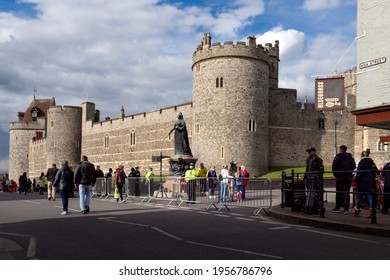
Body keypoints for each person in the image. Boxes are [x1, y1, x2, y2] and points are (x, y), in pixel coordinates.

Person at [332, 145, 356, 215]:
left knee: (339, 192)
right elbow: (353, 167)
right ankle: (346, 209)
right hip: (348, 177)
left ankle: (337, 208)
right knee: (346, 192)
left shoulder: (337, 157)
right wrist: (350, 175)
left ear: (340, 149)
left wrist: (336, 175)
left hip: (340, 176)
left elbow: (334, 167)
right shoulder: (351, 158)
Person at [353, 149, 378, 218]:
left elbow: (359, 173)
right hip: (370, 182)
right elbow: (377, 171)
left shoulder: (361, 163)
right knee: (370, 196)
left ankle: (357, 211)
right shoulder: (372, 162)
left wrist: (355, 182)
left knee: (360, 196)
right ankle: (372, 211)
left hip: (362, 182)